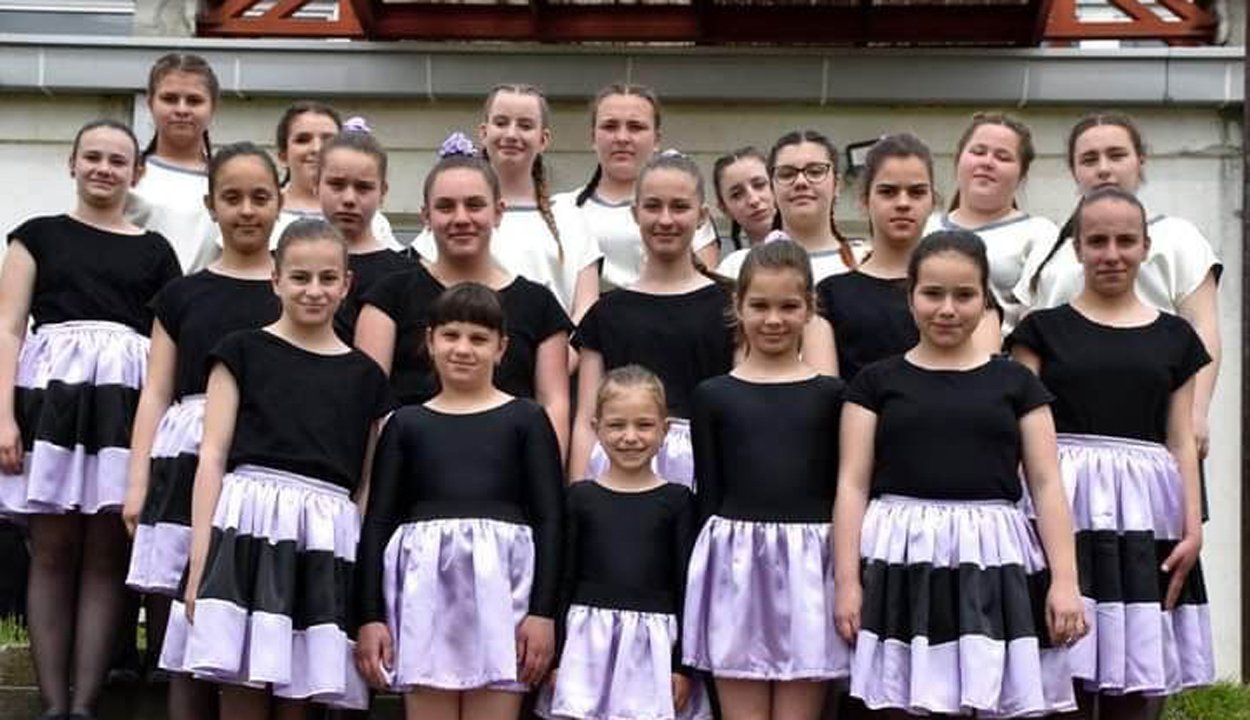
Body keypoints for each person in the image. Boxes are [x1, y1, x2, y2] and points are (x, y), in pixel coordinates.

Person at [832, 230, 1084, 717]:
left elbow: (1047, 484)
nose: (947, 309)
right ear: (910, 297)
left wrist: (1065, 581)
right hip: (901, 557)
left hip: (992, 558)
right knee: (904, 702)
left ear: (985, 299)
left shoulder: (1017, 383)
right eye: (932, 293)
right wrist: (847, 582)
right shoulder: (874, 383)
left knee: (989, 697)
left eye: (964, 295)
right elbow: (852, 484)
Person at [159, 218, 395, 716]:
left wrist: (353, 572)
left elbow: (366, 485)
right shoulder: (240, 351)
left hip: (323, 539)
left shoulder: (367, 378)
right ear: (276, 279)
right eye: (300, 277)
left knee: (299, 695)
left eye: (328, 278)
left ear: (347, 284)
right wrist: (200, 562)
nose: (314, 290)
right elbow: (212, 458)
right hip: (247, 528)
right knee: (241, 682)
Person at [1007, 188, 1213, 718]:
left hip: (1145, 512)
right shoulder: (1040, 332)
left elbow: (1180, 440)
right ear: (1077, 248)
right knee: (1060, 670)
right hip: (1063, 503)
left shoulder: (1176, 338)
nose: (1112, 254)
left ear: (1146, 247)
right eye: (1097, 241)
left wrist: (1192, 527)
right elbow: (1022, 437)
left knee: (1136, 678)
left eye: (1126, 241)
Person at [0, 119, 181, 719]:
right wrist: (3, 416)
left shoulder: (156, 251)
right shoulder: (36, 236)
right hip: (52, 402)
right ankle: (54, 703)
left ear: (137, 172)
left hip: (123, 405)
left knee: (108, 551)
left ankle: (87, 704)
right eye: (93, 157)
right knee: (51, 547)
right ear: (72, 163)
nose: (104, 168)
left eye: (118, 160)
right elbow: (8, 328)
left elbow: (169, 345)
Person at [121, 142, 284, 720]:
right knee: (184, 621)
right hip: (188, 461)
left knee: (257, 612)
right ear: (211, 204)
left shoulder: (296, 291)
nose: (247, 210)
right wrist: (137, 481)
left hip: (266, 467)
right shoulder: (182, 295)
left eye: (260, 197)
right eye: (232, 198)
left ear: (280, 202)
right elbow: (156, 392)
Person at [354, 282, 564, 720]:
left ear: (501, 348)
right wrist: (370, 615)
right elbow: (377, 522)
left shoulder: (527, 419)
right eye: (450, 335)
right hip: (424, 592)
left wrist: (543, 613)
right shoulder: (406, 424)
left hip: (503, 592)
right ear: (430, 341)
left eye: (479, 338)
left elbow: (550, 519)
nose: (463, 349)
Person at [683, 240, 847, 720]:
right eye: (759, 306)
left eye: (788, 306)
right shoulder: (713, 396)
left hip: (810, 567)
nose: (773, 319)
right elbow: (709, 495)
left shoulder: (832, 395)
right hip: (735, 565)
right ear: (738, 307)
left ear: (809, 309)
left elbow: (841, 488)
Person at [1017, 111, 1222, 471]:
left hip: (1154, 415)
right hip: (1066, 426)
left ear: (1140, 161)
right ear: (1073, 170)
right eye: (1089, 159)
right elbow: (1027, 336)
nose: (1103, 169)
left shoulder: (1178, 236)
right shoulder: (1049, 247)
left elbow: (1203, 327)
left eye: (1116, 155)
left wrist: (1197, 411)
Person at [354, 137, 571, 454]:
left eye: (474, 205)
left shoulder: (539, 305)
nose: (460, 218)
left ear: (498, 212)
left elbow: (554, 405)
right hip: (411, 467)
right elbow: (366, 402)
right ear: (425, 216)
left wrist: (545, 475)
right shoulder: (389, 297)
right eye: (445, 207)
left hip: (507, 470)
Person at [537, 365, 709, 720]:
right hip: (587, 644)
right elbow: (563, 581)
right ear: (596, 427)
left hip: (654, 646)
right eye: (616, 425)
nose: (630, 437)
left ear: (664, 430)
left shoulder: (678, 501)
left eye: (644, 425)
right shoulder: (579, 498)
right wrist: (557, 659)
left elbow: (686, 587)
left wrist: (682, 666)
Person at [567, 153, 736, 488]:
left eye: (680, 207)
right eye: (653, 206)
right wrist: (578, 492)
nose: (665, 219)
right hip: (619, 476)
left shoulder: (730, 307)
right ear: (635, 213)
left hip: (706, 471)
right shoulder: (606, 313)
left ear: (702, 216)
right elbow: (587, 419)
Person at [412, 85, 602, 323]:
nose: (511, 134)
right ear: (483, 132)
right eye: (501, 123)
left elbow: (586, 305)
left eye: (525, 125)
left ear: (543, 139)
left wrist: (561, 346)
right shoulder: (453, 219)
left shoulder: (571, 219)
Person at [554, 83, 718, 290]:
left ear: (657, 139)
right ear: (593, 137)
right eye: (610, 126)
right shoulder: (561, 209)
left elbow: (705, 285)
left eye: (635, 127)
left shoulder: (684, 209)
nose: (622, 138)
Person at [922, 112, 1058, 337]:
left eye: (1003, 157)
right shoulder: (924, 227)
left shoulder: (1040, 233)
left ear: (1022, 174)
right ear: (958, 160)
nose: (987, 162)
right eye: (978, 152)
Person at [816, 133, 931, 381]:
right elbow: (823, 393)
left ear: (933, 200)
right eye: (888, 192)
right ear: (865, 201)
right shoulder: (830, 296)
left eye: (916, 192)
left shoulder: (963, 290)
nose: (903, 203)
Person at [317, 130, 415, 342]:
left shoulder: (406, 275)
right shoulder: (285, 263)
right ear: (316, 186)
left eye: (363, 187)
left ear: (382, 192)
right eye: (337, 185)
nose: (349, 199)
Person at [127, 52, 220, 272]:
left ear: (213, 107)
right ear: (150, 103)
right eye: (169, 99)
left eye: (194, 101)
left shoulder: (227, 181)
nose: (181, 110)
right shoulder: (126, 174)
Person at [270, 105, 401, 252]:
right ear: (283, 155)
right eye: (303, 140)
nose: (317, 148)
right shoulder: (267, 214)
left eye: (328, 140)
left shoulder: (374, 222)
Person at [766, 129, 862, 282]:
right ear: (771, 189)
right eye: (787, 174)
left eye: (815, 172)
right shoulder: (739, 267)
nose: (801, 182)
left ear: (837, 185)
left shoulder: (866, 262)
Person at [712, 147, 777, 281]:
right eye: (737, 195)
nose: (753, 200)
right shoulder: (731, 269)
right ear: (724, 208)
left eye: (759, 185)